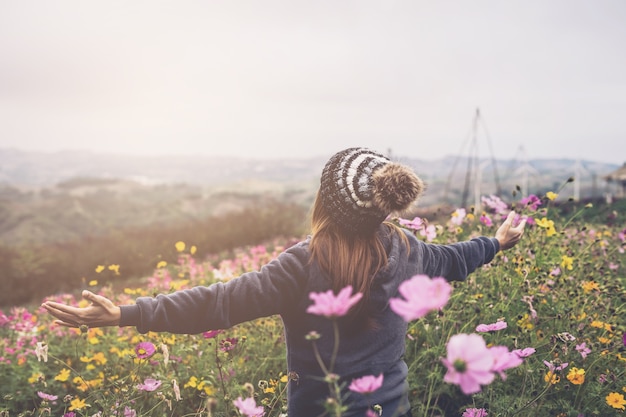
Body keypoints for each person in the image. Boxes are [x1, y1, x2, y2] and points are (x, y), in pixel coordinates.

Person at [43, 147, 526, 417]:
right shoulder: (406, 249)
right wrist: (497, 242)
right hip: (391, 408)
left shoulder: (303, 264)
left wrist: (127, 313)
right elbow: (454, 258)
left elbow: (217, 304)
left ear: (326, 202)